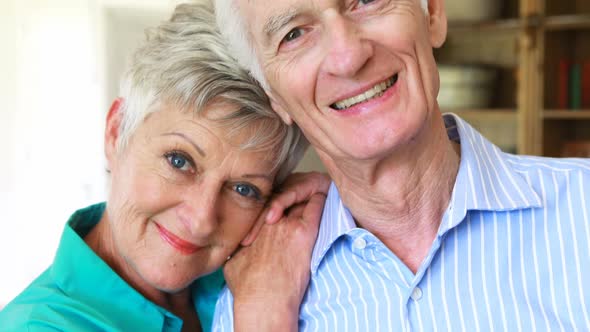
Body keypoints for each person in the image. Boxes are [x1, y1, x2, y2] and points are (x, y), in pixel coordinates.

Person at [211, 0, 590, 330]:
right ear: (273, 96)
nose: (348, 57)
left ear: (433, 15)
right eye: (293, 35)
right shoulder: (251, 307)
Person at [0, 1, 330, 331]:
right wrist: (263, 316)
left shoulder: (274, 264)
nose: (201, 219)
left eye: (245, 189)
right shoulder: (38, 325)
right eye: (179, 161)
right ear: (117, 131)